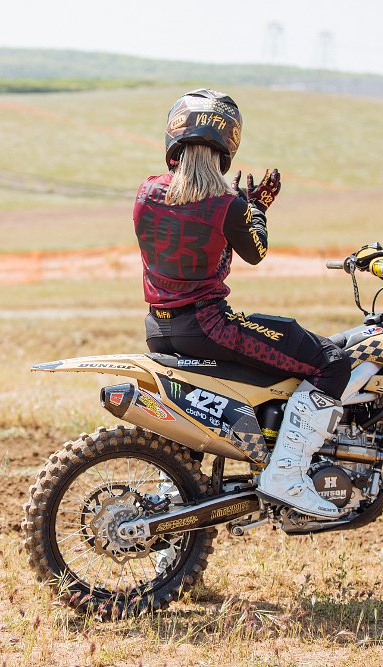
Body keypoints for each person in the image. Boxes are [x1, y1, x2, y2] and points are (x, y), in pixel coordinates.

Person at [134, 89, 352, 519]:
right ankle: (286, 475)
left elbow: (193, 232)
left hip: (159, 328)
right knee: (331, 361)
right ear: (228, 144)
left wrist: (239, 208)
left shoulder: (146, 193)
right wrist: (256, 210)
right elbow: (255, 251)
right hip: (208, 326)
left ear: (174, 139)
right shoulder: (228, 205)